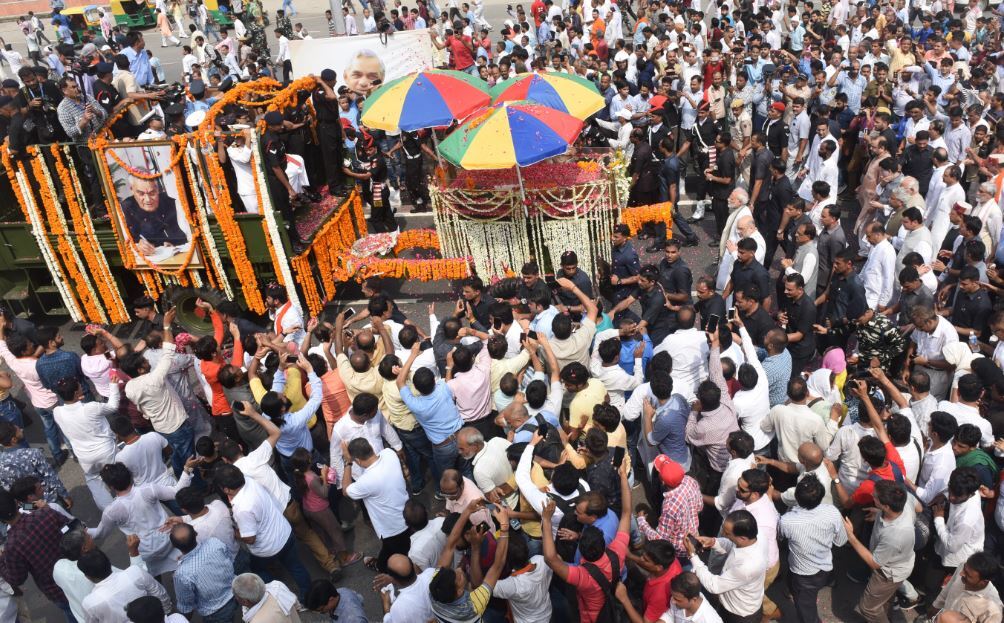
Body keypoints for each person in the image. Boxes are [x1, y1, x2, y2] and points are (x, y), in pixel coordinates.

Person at [685, 509, 769, 623]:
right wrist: (713, 542)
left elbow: (714, 585)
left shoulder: (747, 566)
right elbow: (734, 545)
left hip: (738, 615)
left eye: (727, 533)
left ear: (743, 538)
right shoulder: (756, 536)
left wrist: (693, 556)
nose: (723, 534)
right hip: (732, 604)